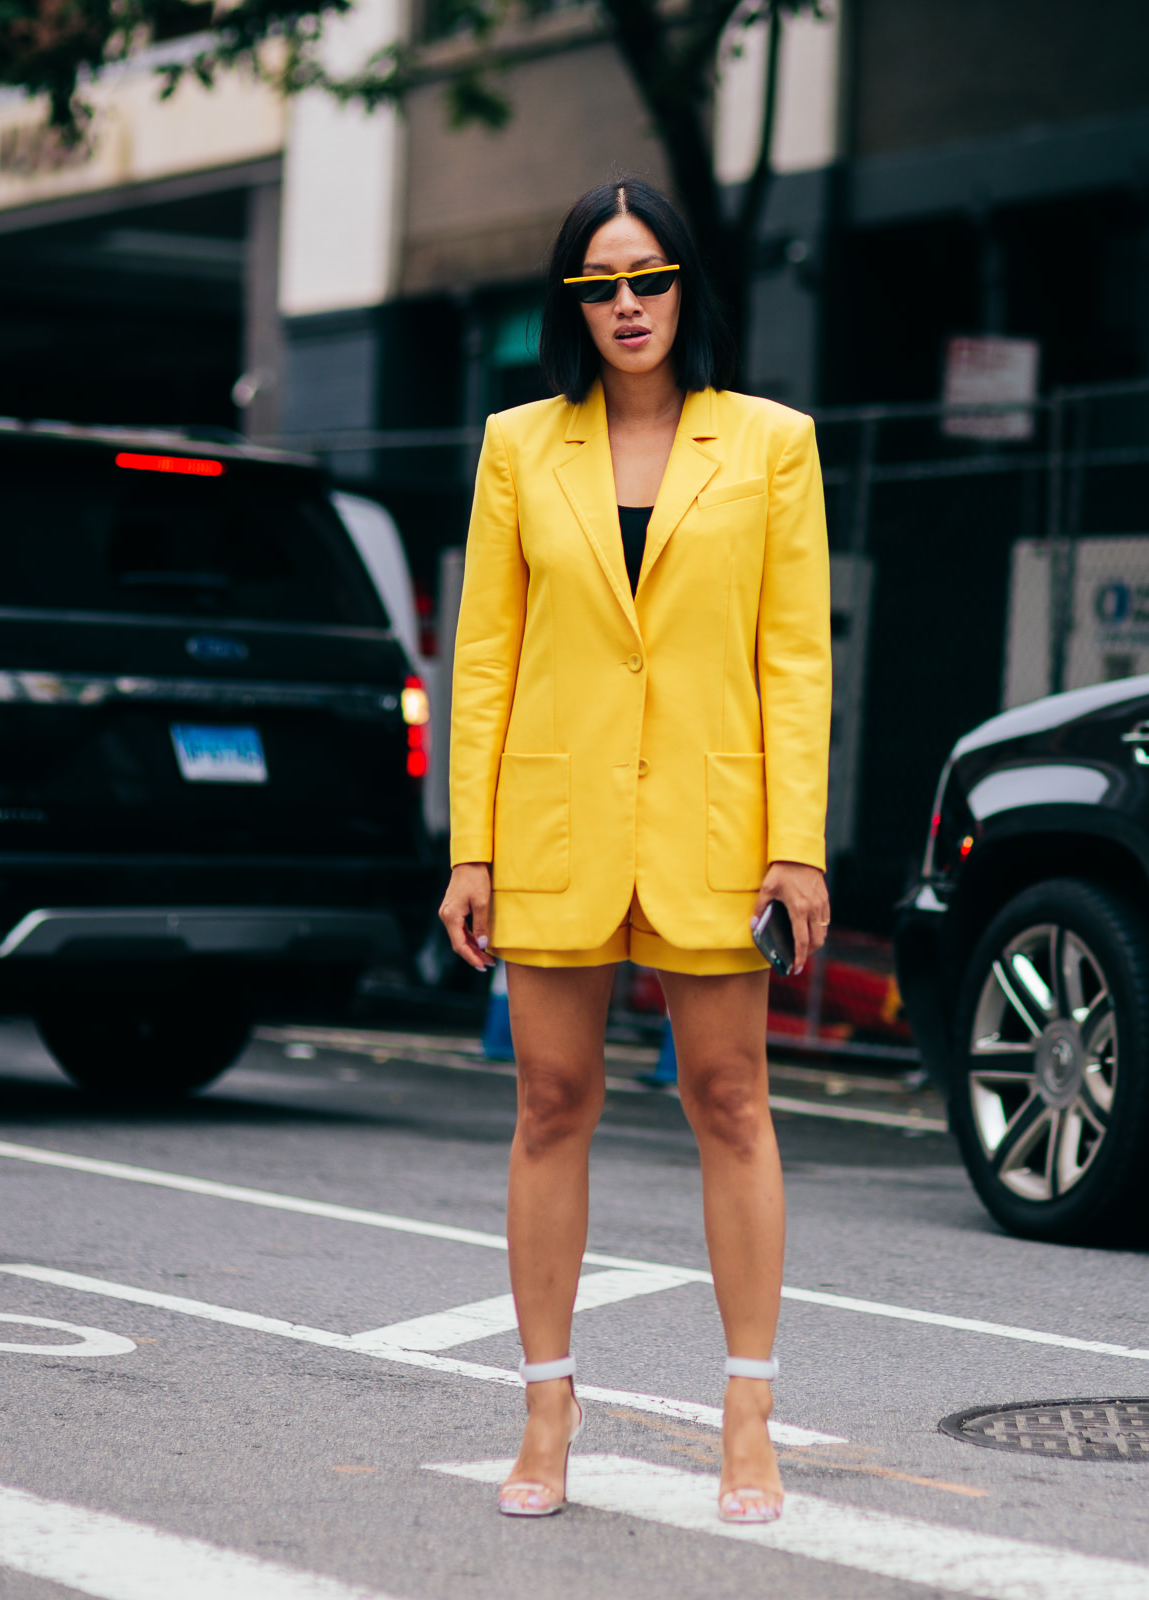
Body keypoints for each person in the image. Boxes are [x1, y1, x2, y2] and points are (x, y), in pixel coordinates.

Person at [436, 176, 832, 1527]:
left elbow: (796, 661)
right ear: (571, 305)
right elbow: (483, 658)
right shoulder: (516, 447)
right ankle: (547, 1408)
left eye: (648, 279)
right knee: (550, 1103)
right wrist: (469, 846)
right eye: (599, 285)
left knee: (730, 1102)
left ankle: (749, 1414)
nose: (625, 306)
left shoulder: (774, 445)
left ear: (686, 290)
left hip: (716, 831)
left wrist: (800, 847)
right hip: (552, 824)